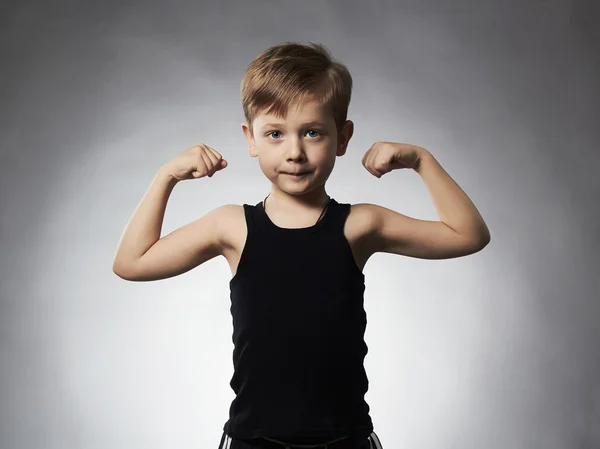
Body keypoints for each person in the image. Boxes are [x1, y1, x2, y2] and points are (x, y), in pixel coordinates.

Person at [112, 41, 491, 449]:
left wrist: (422, 161)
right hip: (254, 441)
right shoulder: (232, 226)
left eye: (312, 132)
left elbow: (468, 234)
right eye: (275, 133)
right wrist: (165, 177)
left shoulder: (359, 225)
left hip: (344, 440)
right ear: (251, 139)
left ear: (342, 137)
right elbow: (132, 262)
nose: (294, 152)